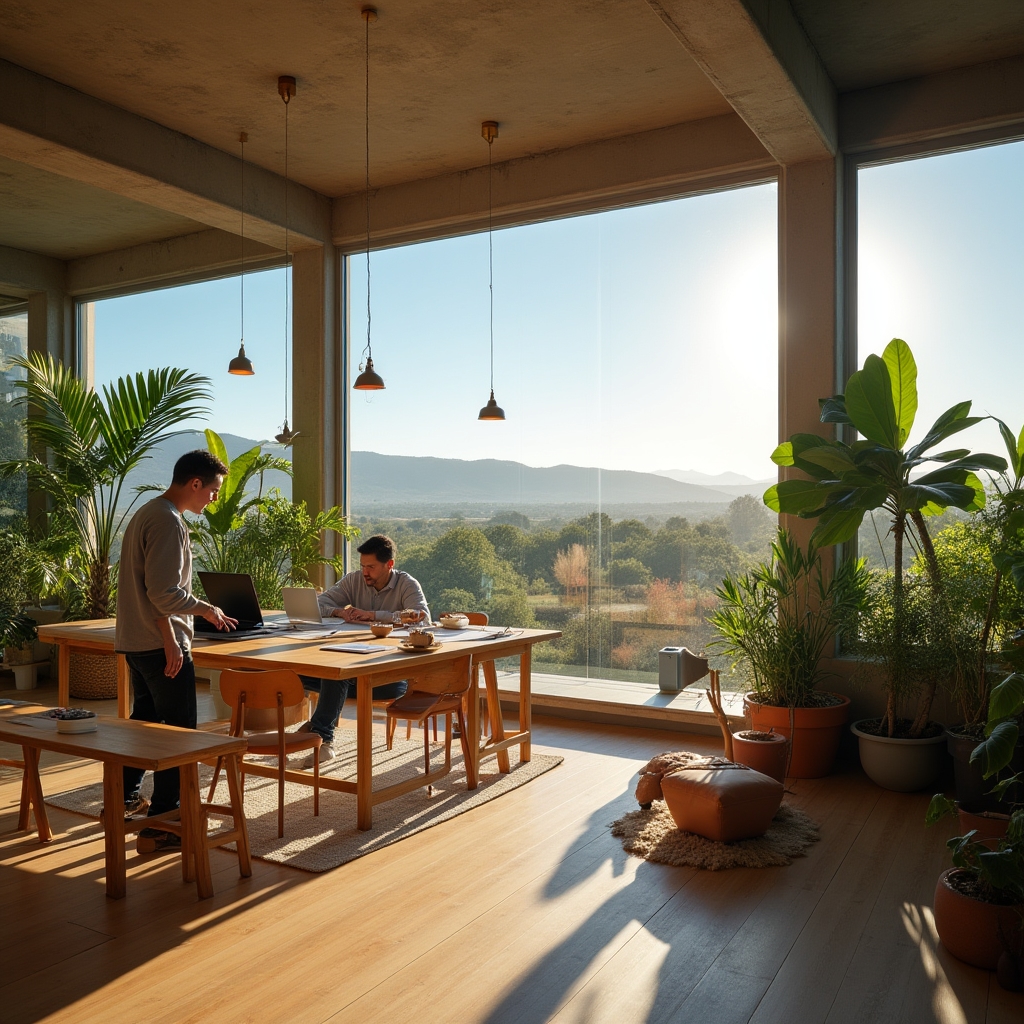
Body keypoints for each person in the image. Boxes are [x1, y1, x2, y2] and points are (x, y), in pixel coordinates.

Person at [115, 449, 237, 853]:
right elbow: (163, 594)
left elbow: (149, 588)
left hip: (138, 640)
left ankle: (124, 798)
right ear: (195, 484)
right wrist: (205, 609)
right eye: (214, 490)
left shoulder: (151, 512)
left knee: (146, 723)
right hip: (159, 645)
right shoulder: (168, 522)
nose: (214, 499)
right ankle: (162, 825)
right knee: (179, 735)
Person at [300, 534, 430, 765]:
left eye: (371, 567)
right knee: (305, 672)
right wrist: (340, 612)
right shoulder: (354, 580)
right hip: (353, 671)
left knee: (335, 675)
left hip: (388, 677)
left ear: (389, 565)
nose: (365, 572)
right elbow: (319, 604)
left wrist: (374, 616)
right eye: (362, 566)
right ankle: (319, 733)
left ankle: (321, 735)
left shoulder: (406, 584)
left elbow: (422, 619)